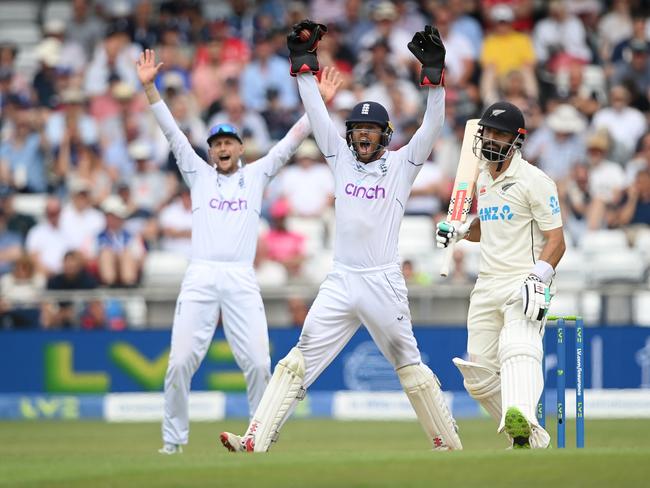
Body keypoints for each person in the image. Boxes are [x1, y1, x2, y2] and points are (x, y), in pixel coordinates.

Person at [221, 21, 462, 453]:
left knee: (410, 367)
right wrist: (303, 64)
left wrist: (435, 76)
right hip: (341, 279)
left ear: (385, 135)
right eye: (356, 130)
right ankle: (255, 438)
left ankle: (447, 444)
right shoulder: (339, 158)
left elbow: (432, 125)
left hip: (383, 281)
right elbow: (315, 111)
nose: (362, 136)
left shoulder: (404, 165)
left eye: (370, 131)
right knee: (298, 359)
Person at [136, 49, 342, 455]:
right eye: (216, 144)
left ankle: (258, 438)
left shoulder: (256, 175)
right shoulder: (196, 174)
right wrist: (148, 87)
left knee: (260, 364)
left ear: (240, 148)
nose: (222, 148)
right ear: (211, 150)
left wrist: (320, 102)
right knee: (179, 364)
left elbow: (292, 139)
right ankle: (172, 442)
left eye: (229, 142)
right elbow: (173, 133)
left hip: (240, 276)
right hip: (201, 275)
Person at [435, 101, 566, 449]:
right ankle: (525, 436)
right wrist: (460, 230)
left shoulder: (535, 181)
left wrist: (538, 277)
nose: (491, 139)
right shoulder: (480, 178)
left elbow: (557, 241)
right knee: (476, 377)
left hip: (522, 280)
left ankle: (522, 413)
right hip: (485, 284)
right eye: (488, 132)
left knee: (518, 347)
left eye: (500, 134)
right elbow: (486, 228)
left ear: (517, 140)